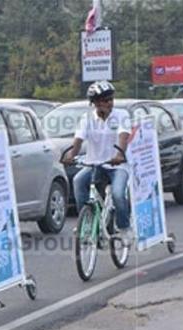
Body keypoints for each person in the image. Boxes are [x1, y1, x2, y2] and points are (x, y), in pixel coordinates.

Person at [61, 80, 133, 245]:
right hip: (95, 164)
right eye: (105, 100)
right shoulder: (87, 119)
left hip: (117, 165)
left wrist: (119, 154)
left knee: (117, 194)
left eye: (111, 99)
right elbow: (78, 140)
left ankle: (124, 228)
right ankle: (86, 222)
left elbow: (123, 136)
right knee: (78, 181)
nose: (110, 103)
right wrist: (72, 155)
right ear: (94, 103)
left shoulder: (121, 115)